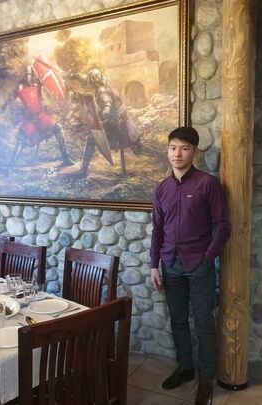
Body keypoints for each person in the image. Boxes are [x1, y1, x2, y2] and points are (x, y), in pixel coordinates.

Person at [150, 126, 231, 405]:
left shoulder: (208, 184)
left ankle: (206, 382)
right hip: (170, 264)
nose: (177, 153)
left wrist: (209, 256)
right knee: (178, 320)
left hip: (199, 265)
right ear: (168, 151)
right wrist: (154, 264)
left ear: (194, 152)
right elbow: (157, 229)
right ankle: (185, 368)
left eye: (184, 148)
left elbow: (223, 224)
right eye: (173, 148)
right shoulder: (162, 188)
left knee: (204, 324)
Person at [63, 68, 140, 177]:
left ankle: (84, 169)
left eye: (91, 83)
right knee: (93, 134)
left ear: (95, 82)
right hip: (118, 121)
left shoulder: (102, 91)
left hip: (114, 126)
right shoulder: (104, 82)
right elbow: (85, 78)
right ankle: (85, 168)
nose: (90, 85)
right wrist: (74, 75)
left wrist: (104, 113)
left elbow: (107, 104)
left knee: (91, 137)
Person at [2, 65, 73, 167]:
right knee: (21, 139)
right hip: (30, 119)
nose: (28, 77)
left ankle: (66, 158)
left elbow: (48, 85)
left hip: (41, 117)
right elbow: (11, 97)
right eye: (26, 74)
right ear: (24, 75)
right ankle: (10, 165)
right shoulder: (20, 88)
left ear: (32, 75)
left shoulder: (38, 84)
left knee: (58, 128)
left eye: (30, 74)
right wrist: (4, 106)